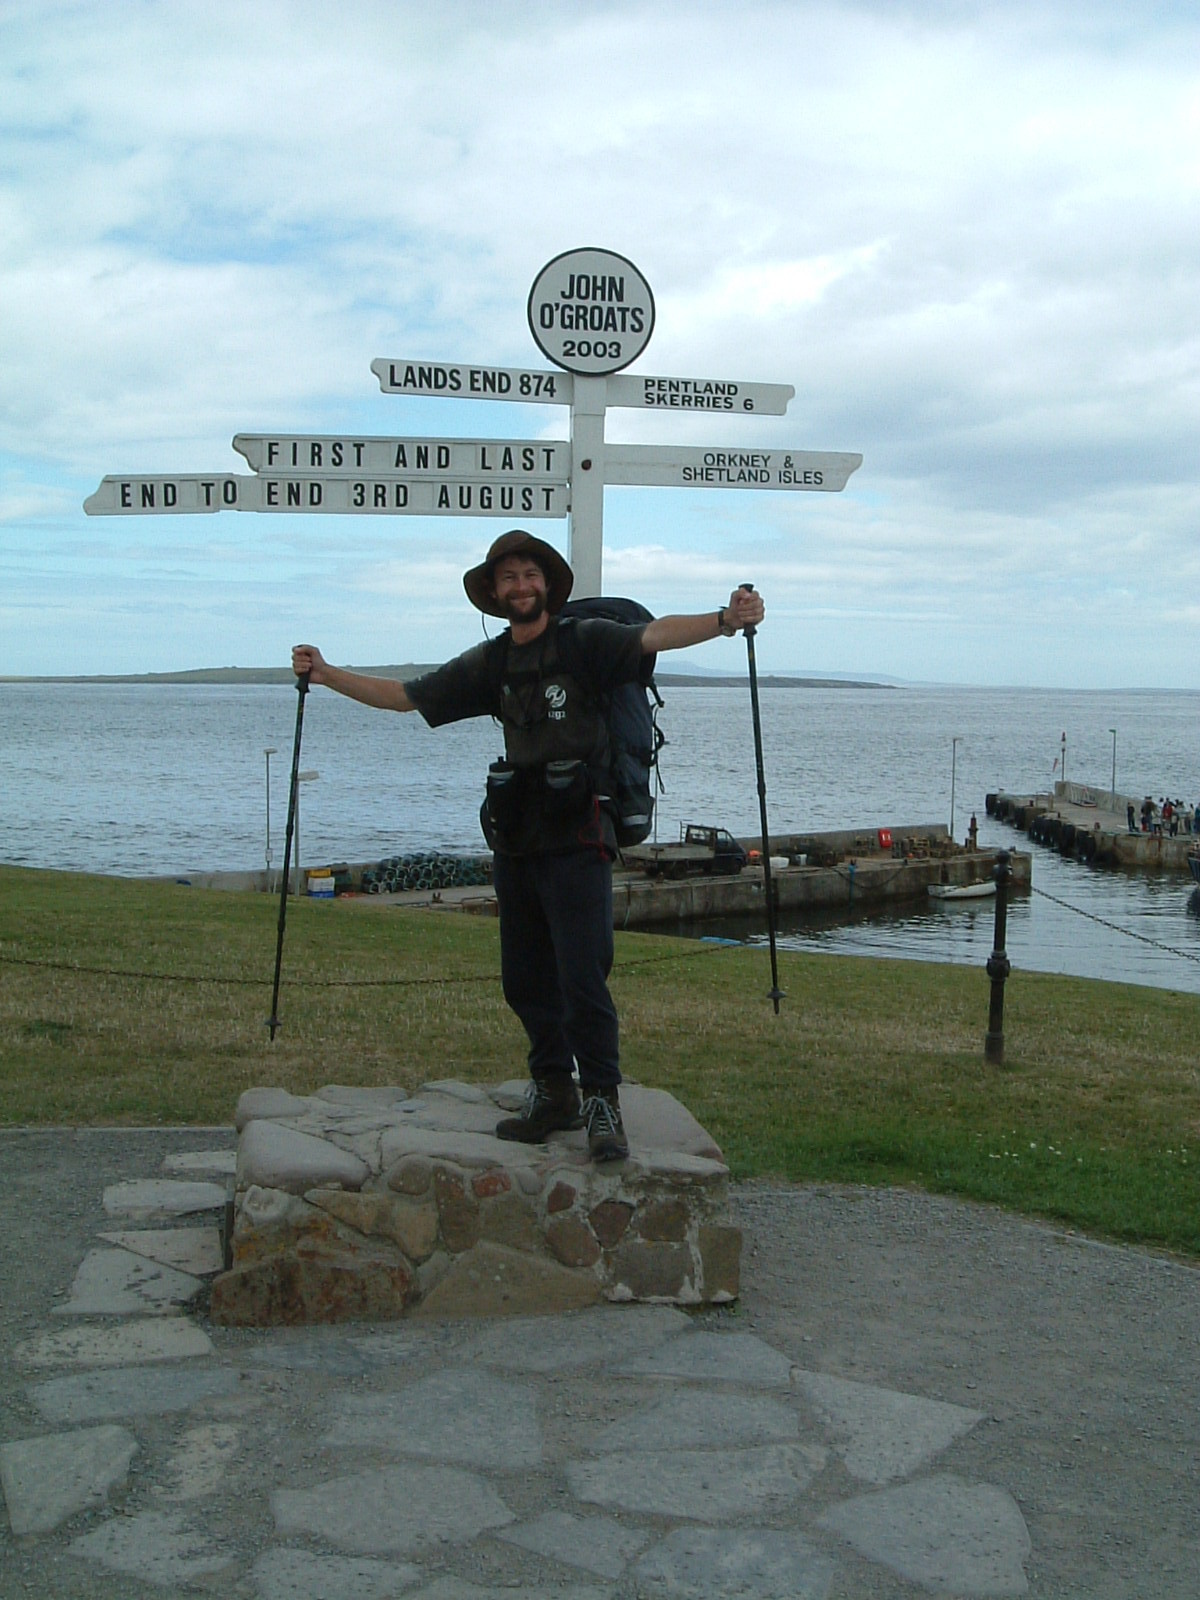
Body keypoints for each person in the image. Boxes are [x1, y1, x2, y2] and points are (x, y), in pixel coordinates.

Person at [292, 529, 765, 1163]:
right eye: (508, 578)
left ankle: (602, 1101)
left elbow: (652, 636)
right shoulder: (491, 663)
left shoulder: (587, 642)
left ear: (547, 584)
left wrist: (724, 620)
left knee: (583, 977)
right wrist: (325, 674)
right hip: (517, 841)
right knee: (524, 979)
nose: (520, 586)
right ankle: (553, 1092)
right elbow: (406, 698)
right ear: (494, 592)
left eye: (529, 575)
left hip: (579, 839)